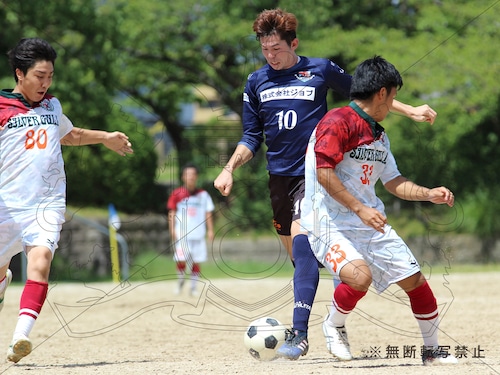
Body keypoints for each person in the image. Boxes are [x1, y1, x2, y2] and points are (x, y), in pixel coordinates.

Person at [214, 8, 438, 360]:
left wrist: (409, 110)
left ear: (294, 43)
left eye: (276, 48)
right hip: (279, 181)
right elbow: (250, 135)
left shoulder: (319, 70)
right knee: (304, 260)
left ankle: (302, 334)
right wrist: (229, 168)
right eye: (265, 49)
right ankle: (334, 318)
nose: (270, 56)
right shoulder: (257, 82)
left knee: (306, 250)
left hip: (316, 174)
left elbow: (368, 94)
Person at [301, 55, 458, 366]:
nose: (393, 105)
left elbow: (393, 182)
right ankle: (333, 324)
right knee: (360, 277)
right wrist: (359, 208)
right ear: (383, 93)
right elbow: (323, 172)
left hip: (368, 218)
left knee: (415, 281)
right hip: (328, 219)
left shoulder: (379, 135)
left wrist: (428, 193)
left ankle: (432, 352)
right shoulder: (337, 121)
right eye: (394, 96)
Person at [0, 37, 134, 363]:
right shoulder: (2, 107)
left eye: (50, 76)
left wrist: (105, 138)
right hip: (6, 204)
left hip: (45, 203)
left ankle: (20, 337)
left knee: (41, 261)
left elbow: (69, 135)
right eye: (39, 76)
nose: (46, 83)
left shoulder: (52, 106)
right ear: (20, 74)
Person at [168, 163, 214, 296]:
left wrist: (210, 230)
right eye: (187, 175)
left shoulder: (203, 195)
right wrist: (172, 229)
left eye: (193, 174)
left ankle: (193, 288)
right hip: (183, 234)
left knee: (197, 260)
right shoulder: (176, 194)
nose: (190, 177)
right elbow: (171, 213)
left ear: (197, 176)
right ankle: (180, 281)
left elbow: (208, 213)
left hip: (198, 235)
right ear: (183, 177)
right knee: (181, 259)